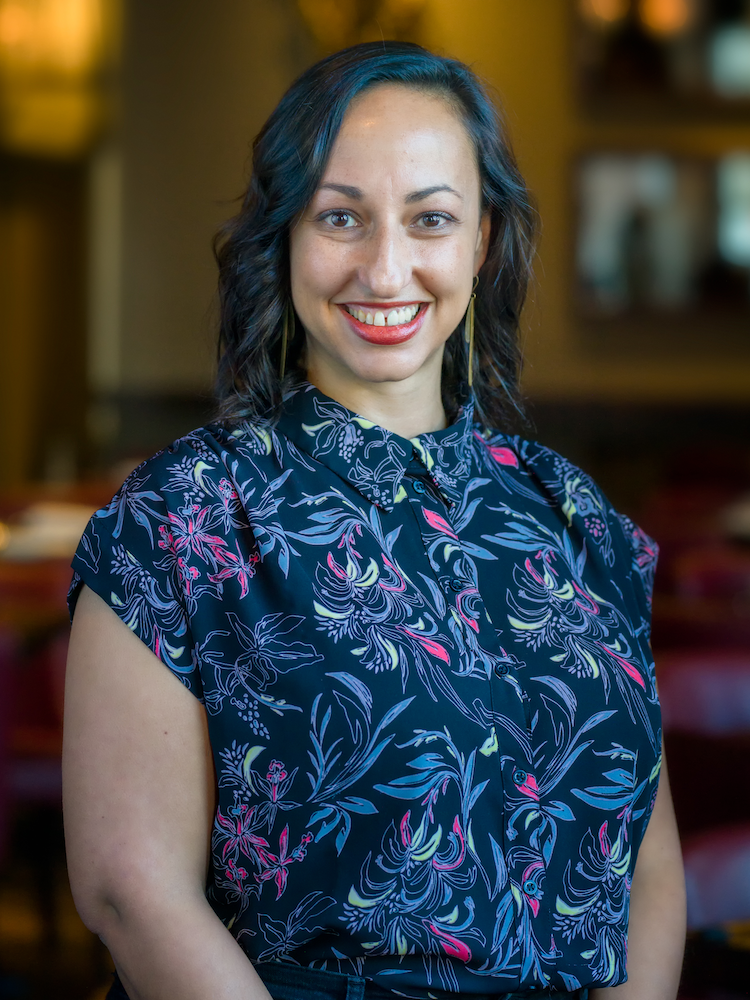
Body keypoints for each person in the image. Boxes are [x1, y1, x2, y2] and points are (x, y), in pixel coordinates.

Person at [63, 41, 686, 1000]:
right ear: (285, 238)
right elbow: (130, 892)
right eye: (340, 217)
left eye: (430, 218)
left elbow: (647, 873)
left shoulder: (581, 525)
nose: (385, 267)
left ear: (480, 242)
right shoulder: (184, 517)